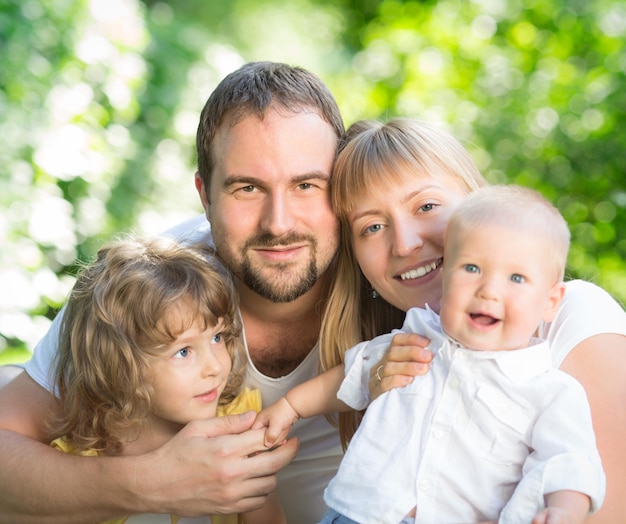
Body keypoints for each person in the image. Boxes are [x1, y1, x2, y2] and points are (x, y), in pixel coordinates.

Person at [0, 61, 346, 524]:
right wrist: (153, 484)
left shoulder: (389, 272)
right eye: (247, 188)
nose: (278, 223)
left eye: (306, 185)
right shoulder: (149, 290)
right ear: (205, 196)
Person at [318, 118, 626, 522]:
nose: (406, 242)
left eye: (427, 206)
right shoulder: (393, 356)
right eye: (372, 227)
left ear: (476, 201)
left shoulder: (573, 317)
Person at [257, 184, 606, 524]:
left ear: (549, 302)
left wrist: (563, 511)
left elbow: (568, 463)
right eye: (471, 269)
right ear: (446, 275)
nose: (489, 291)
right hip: (356, 514)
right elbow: (354, 372)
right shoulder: (416, 338)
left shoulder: (550, 392)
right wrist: (291, 406)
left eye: (516, 278)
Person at [50, 235, 285, 524]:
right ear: (121, 366)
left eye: (216, 337)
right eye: (184, 351)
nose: (214, 366)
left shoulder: (239, 429)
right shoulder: (78, 465)